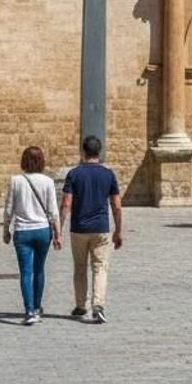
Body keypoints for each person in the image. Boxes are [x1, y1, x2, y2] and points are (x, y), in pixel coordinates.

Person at [60, 134, 123, 323]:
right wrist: (118, 230)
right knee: (100, 267)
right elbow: (117, 205)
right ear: (99, 151)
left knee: (80, 267)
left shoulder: (74, 174)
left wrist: (59, 228)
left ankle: (81, 305)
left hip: (78, 228)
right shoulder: (108, 174)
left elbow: (66, 203)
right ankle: (98, 305)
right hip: (101, 228)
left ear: (83, 151)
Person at [1, 146, 62, 325]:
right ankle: (37, 307)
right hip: (43, 230)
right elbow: (53, 211)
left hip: (22, 231)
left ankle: (29, 311)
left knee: (26, 272)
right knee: (39, 269)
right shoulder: (48, 182)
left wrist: (6, 230)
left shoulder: (16, 181)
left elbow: (8, 208)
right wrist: (58, 233)